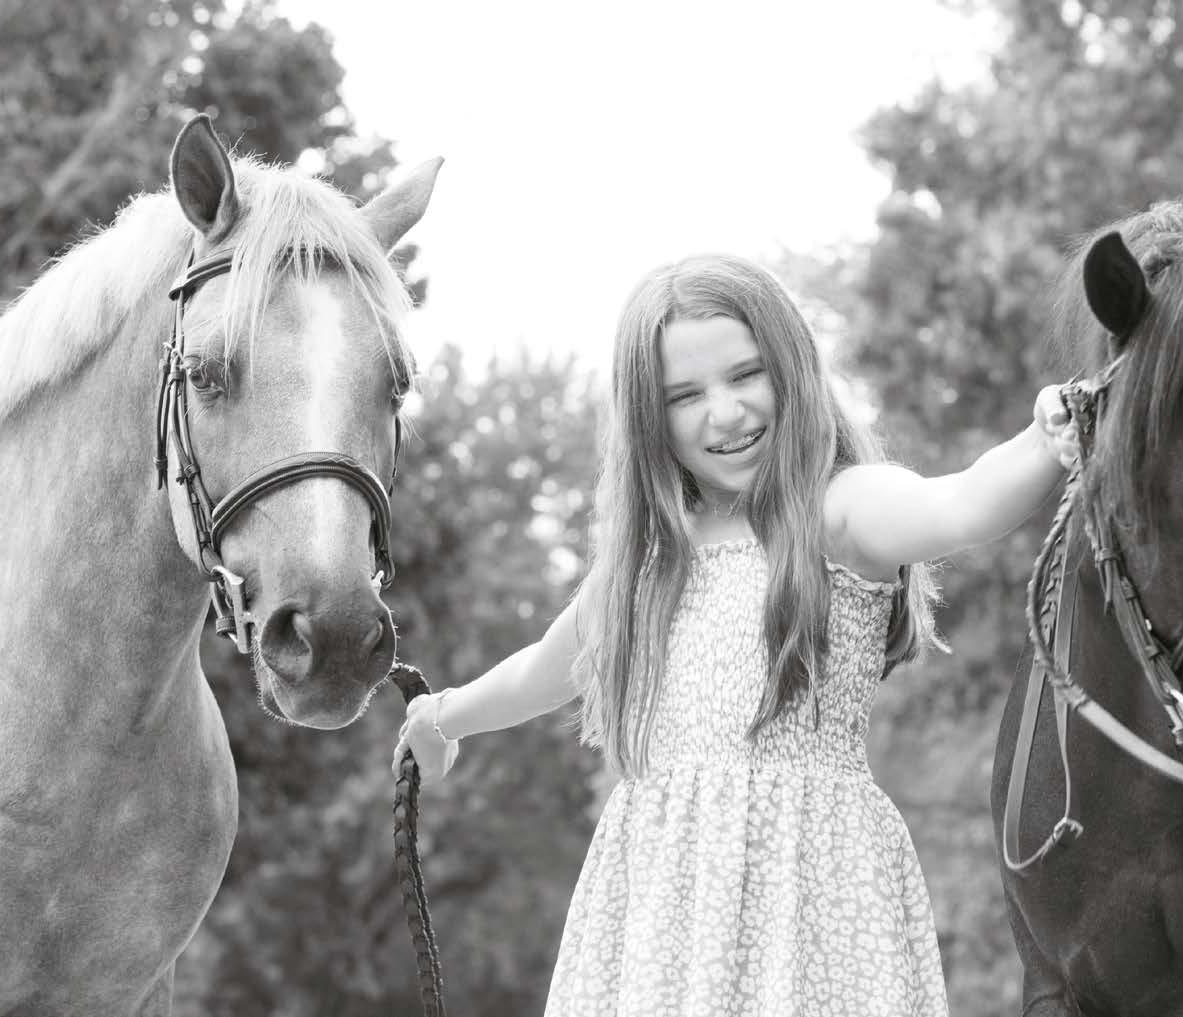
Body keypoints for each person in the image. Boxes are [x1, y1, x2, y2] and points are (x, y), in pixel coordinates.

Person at [393, 253, 1079, 1016]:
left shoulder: (839, 510)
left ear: (790, 370)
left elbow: (960, 505)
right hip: (663, 914)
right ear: (650, 419)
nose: (724, 413)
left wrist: (1044, 436)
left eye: (746, 375)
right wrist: (442, 716)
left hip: (810, 898)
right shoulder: (650, 563)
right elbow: (539, 673)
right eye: (684, 395)